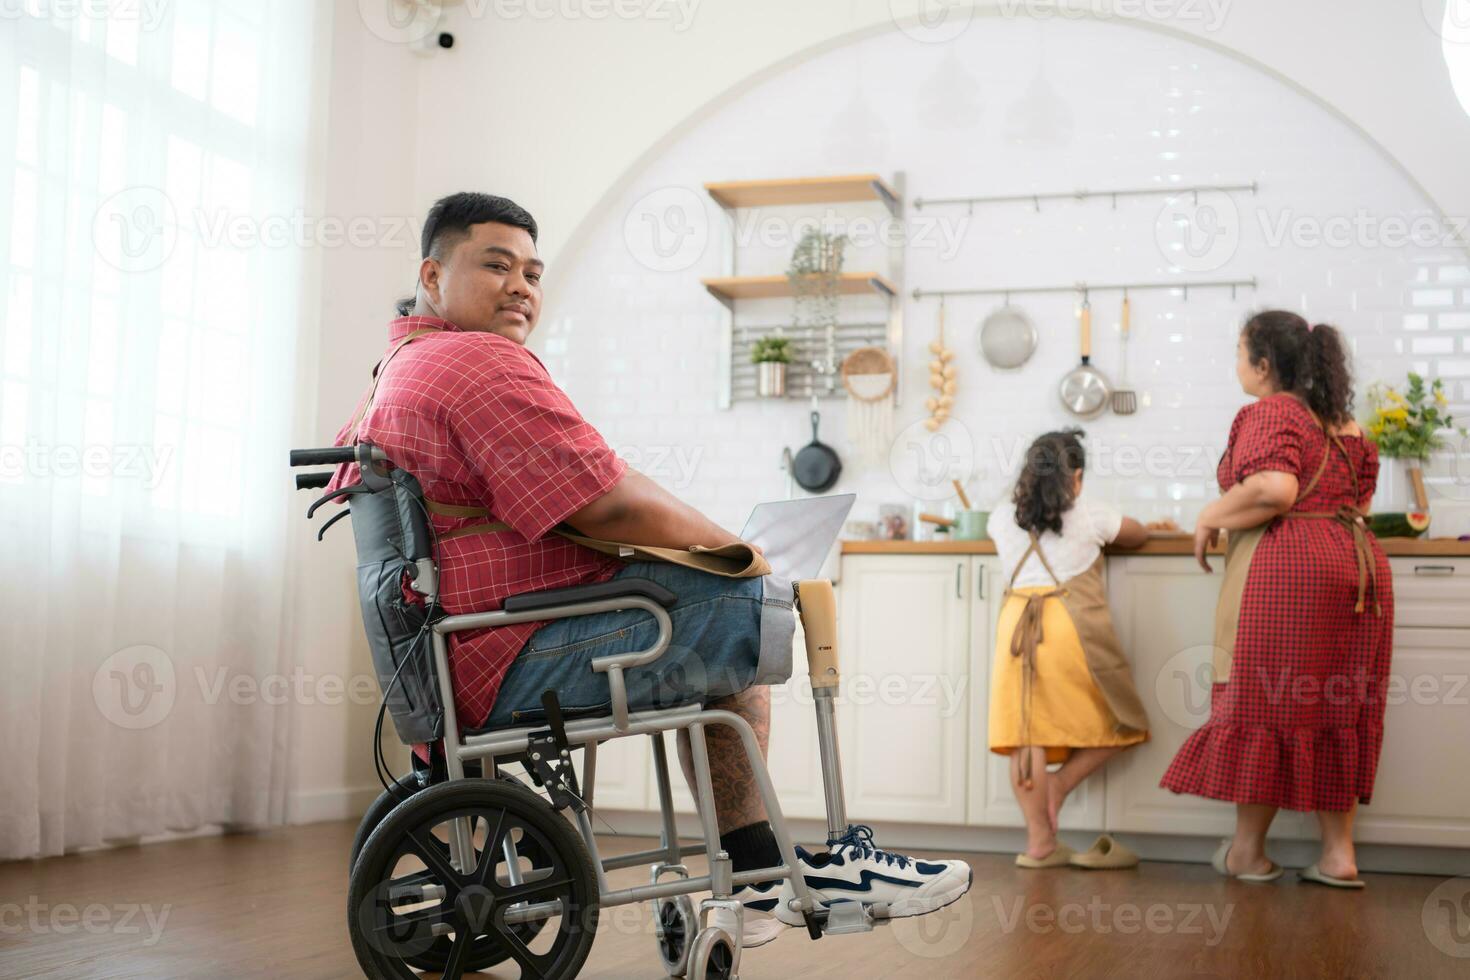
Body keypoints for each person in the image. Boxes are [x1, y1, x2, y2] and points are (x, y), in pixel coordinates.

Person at [325, 192, 971, 946]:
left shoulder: (398, 368)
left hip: (459, 653)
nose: (522, 287)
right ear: (432, 276)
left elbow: (577, 502)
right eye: (496, 266)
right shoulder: (474, 361)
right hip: (502, 656)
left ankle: (761, 871)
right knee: (748, 602)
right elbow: (609, 504)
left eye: (533, 271)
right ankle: (794, 870)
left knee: (723, 606)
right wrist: (737, 550)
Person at [1160, 311, 1394, 889]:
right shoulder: (1346, 424)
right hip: (1358, 570)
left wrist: (1209, 514)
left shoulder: (1271, 412)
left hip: (1291, 573)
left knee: (1263, 702)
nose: (1236, 363)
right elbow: (1359, 503)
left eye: (1240, 352)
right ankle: (1339, 857)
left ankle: (1247, 853)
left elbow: (1275, 487)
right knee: (1337, 706)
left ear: (1264, 364)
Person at [988, 430, 1152, 868]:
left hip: (1016, 627)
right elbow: (1137, 535)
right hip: (1068, 627)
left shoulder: (1001, 516)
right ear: (1075, 476)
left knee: (1027, 735)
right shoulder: (1091, 514)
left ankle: (1040, 842)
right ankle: (1059, 787)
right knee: (1126, 721)